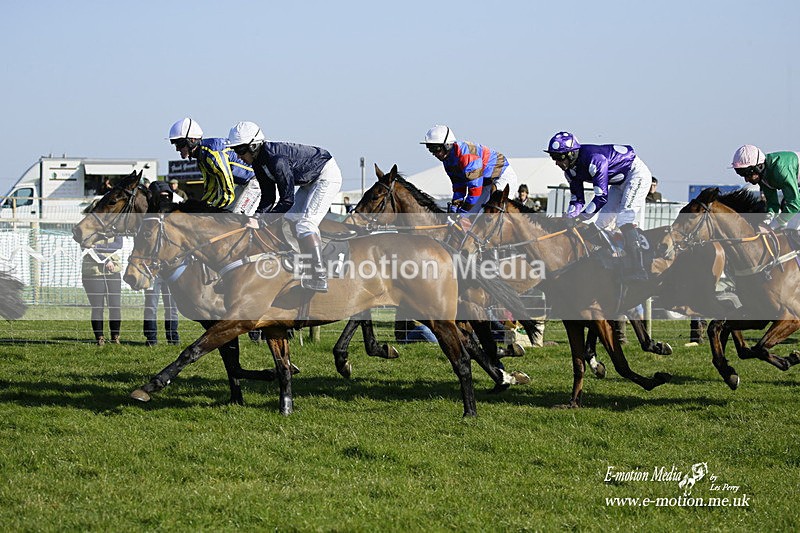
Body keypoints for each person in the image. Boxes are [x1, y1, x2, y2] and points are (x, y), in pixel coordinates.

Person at [226, 121, 343, 292]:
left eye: (240, 150)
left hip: (326, 175)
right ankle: (301, 265)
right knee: (288, 221)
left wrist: (262, 222)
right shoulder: (258, 163)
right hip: (309, 180)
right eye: (235, 150)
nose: (238, 156)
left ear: (253, 146)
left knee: (305, 225)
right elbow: (268, 198)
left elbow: (287, 200)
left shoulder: (276, 160)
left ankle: (319, 276)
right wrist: (256, 217)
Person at [545, 131, 652, 280]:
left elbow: (601, 197)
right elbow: (577, 200)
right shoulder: (569, 172)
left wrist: (580, 218)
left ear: (571, 154)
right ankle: (614, 263)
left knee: (624, 219)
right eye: (553, 157)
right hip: (618, 183)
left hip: (636, 175)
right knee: (601, 224)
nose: (556, 162)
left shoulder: (594, 160)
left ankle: (639, 269)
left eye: (559, 157)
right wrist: (570, 216)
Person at [168, 118, 261, 215]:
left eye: (179, 144)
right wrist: (202, 206)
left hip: (257, 180)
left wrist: (211, 210)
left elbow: (227, 192)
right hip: (244, 183)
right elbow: (211, 188)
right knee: (225, 213)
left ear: (192, 140)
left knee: (237, 216)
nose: (177, 149)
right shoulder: (202, 157)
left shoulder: (213, 155)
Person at [421, 125, 518, 214]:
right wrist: (455, 205)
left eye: (436, 149)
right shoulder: (448, 161)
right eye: (430, 149)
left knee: (489, 213)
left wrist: (462, 213)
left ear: (447, 145)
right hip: (485, 183)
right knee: (469, 216)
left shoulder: (467, 157)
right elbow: (459, 185)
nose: (433, 153)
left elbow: (475, 191)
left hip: (501, 177)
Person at [143, 181, 180, 346]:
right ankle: (151, 338)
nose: (165, 199)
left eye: (167, 196)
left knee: (172, 306)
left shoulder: (174, 216)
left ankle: (173, 338)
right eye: (161, 196)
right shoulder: (147, 219)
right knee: (151, 305)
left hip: (170, 268)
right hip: (152, 269)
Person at [731, 145, 800, 230]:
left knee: (793, 226)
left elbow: (794, 204)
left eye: (747, 174)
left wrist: (774, 224)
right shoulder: (762, 175)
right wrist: (767, 219)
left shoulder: (780, 170)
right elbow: (773, 203)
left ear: (759, 167)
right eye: (742, 175)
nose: (746, 180)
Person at [81, 236, 123, 345]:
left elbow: (118, 244)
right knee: (97, 307)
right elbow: (87, 249)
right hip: (93, 272)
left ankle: (115, 336)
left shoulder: (115, 228)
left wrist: (96, 246)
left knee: (115, 306)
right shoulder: (87, 229)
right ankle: (99, 338)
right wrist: (105, 260)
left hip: (113, 271)